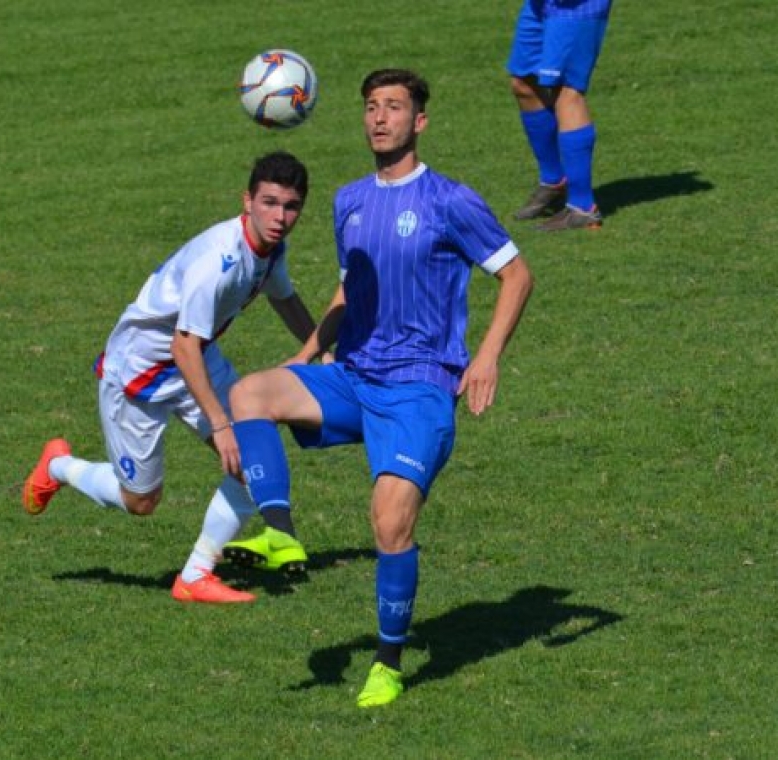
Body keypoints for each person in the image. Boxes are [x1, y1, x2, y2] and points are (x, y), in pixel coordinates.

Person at [226, 69, 534, 707]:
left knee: (389, 522)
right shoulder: (348, 201)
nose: (379, 118)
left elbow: (517, 276)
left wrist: (486, 358)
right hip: (354, 374)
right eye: (371, 107)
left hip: (419, 389)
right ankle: (280, 529)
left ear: (418, 122)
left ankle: (389, 662)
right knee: (251, 394)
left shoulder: (450, 201)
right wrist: (311, 351)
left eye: (394, 107)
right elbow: (348, 289)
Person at [18, 151, 319, 604]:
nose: (279, 217)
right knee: (141, 502)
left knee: (252, 462)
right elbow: (181, 346)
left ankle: (196, 575)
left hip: (198, 357)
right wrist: (219, 425)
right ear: (247, 201)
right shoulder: (219, 261)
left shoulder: (271, 251)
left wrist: (323, 350)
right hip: (141, 374)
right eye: (270, 203)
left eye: (290, 206)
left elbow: (286, 300)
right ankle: (58, 466)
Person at [507, 0, 613, 231]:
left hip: (574, 8)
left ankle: (582, 208)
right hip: (540, 5)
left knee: (567, 91)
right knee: (523, 82)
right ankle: (554, 181)